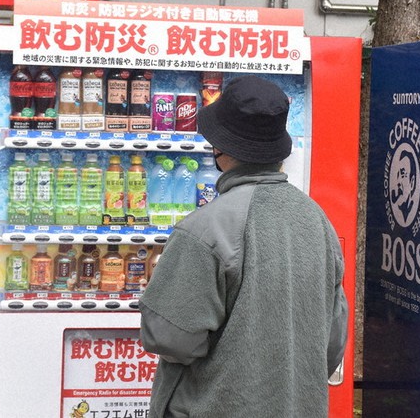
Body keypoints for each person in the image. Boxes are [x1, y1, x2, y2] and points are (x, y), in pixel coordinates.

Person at [139, 74, 348, 417]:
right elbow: (332, 342)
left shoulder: (204, 229)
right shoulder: (318, 220)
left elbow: (169, 337)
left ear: (220, 148)